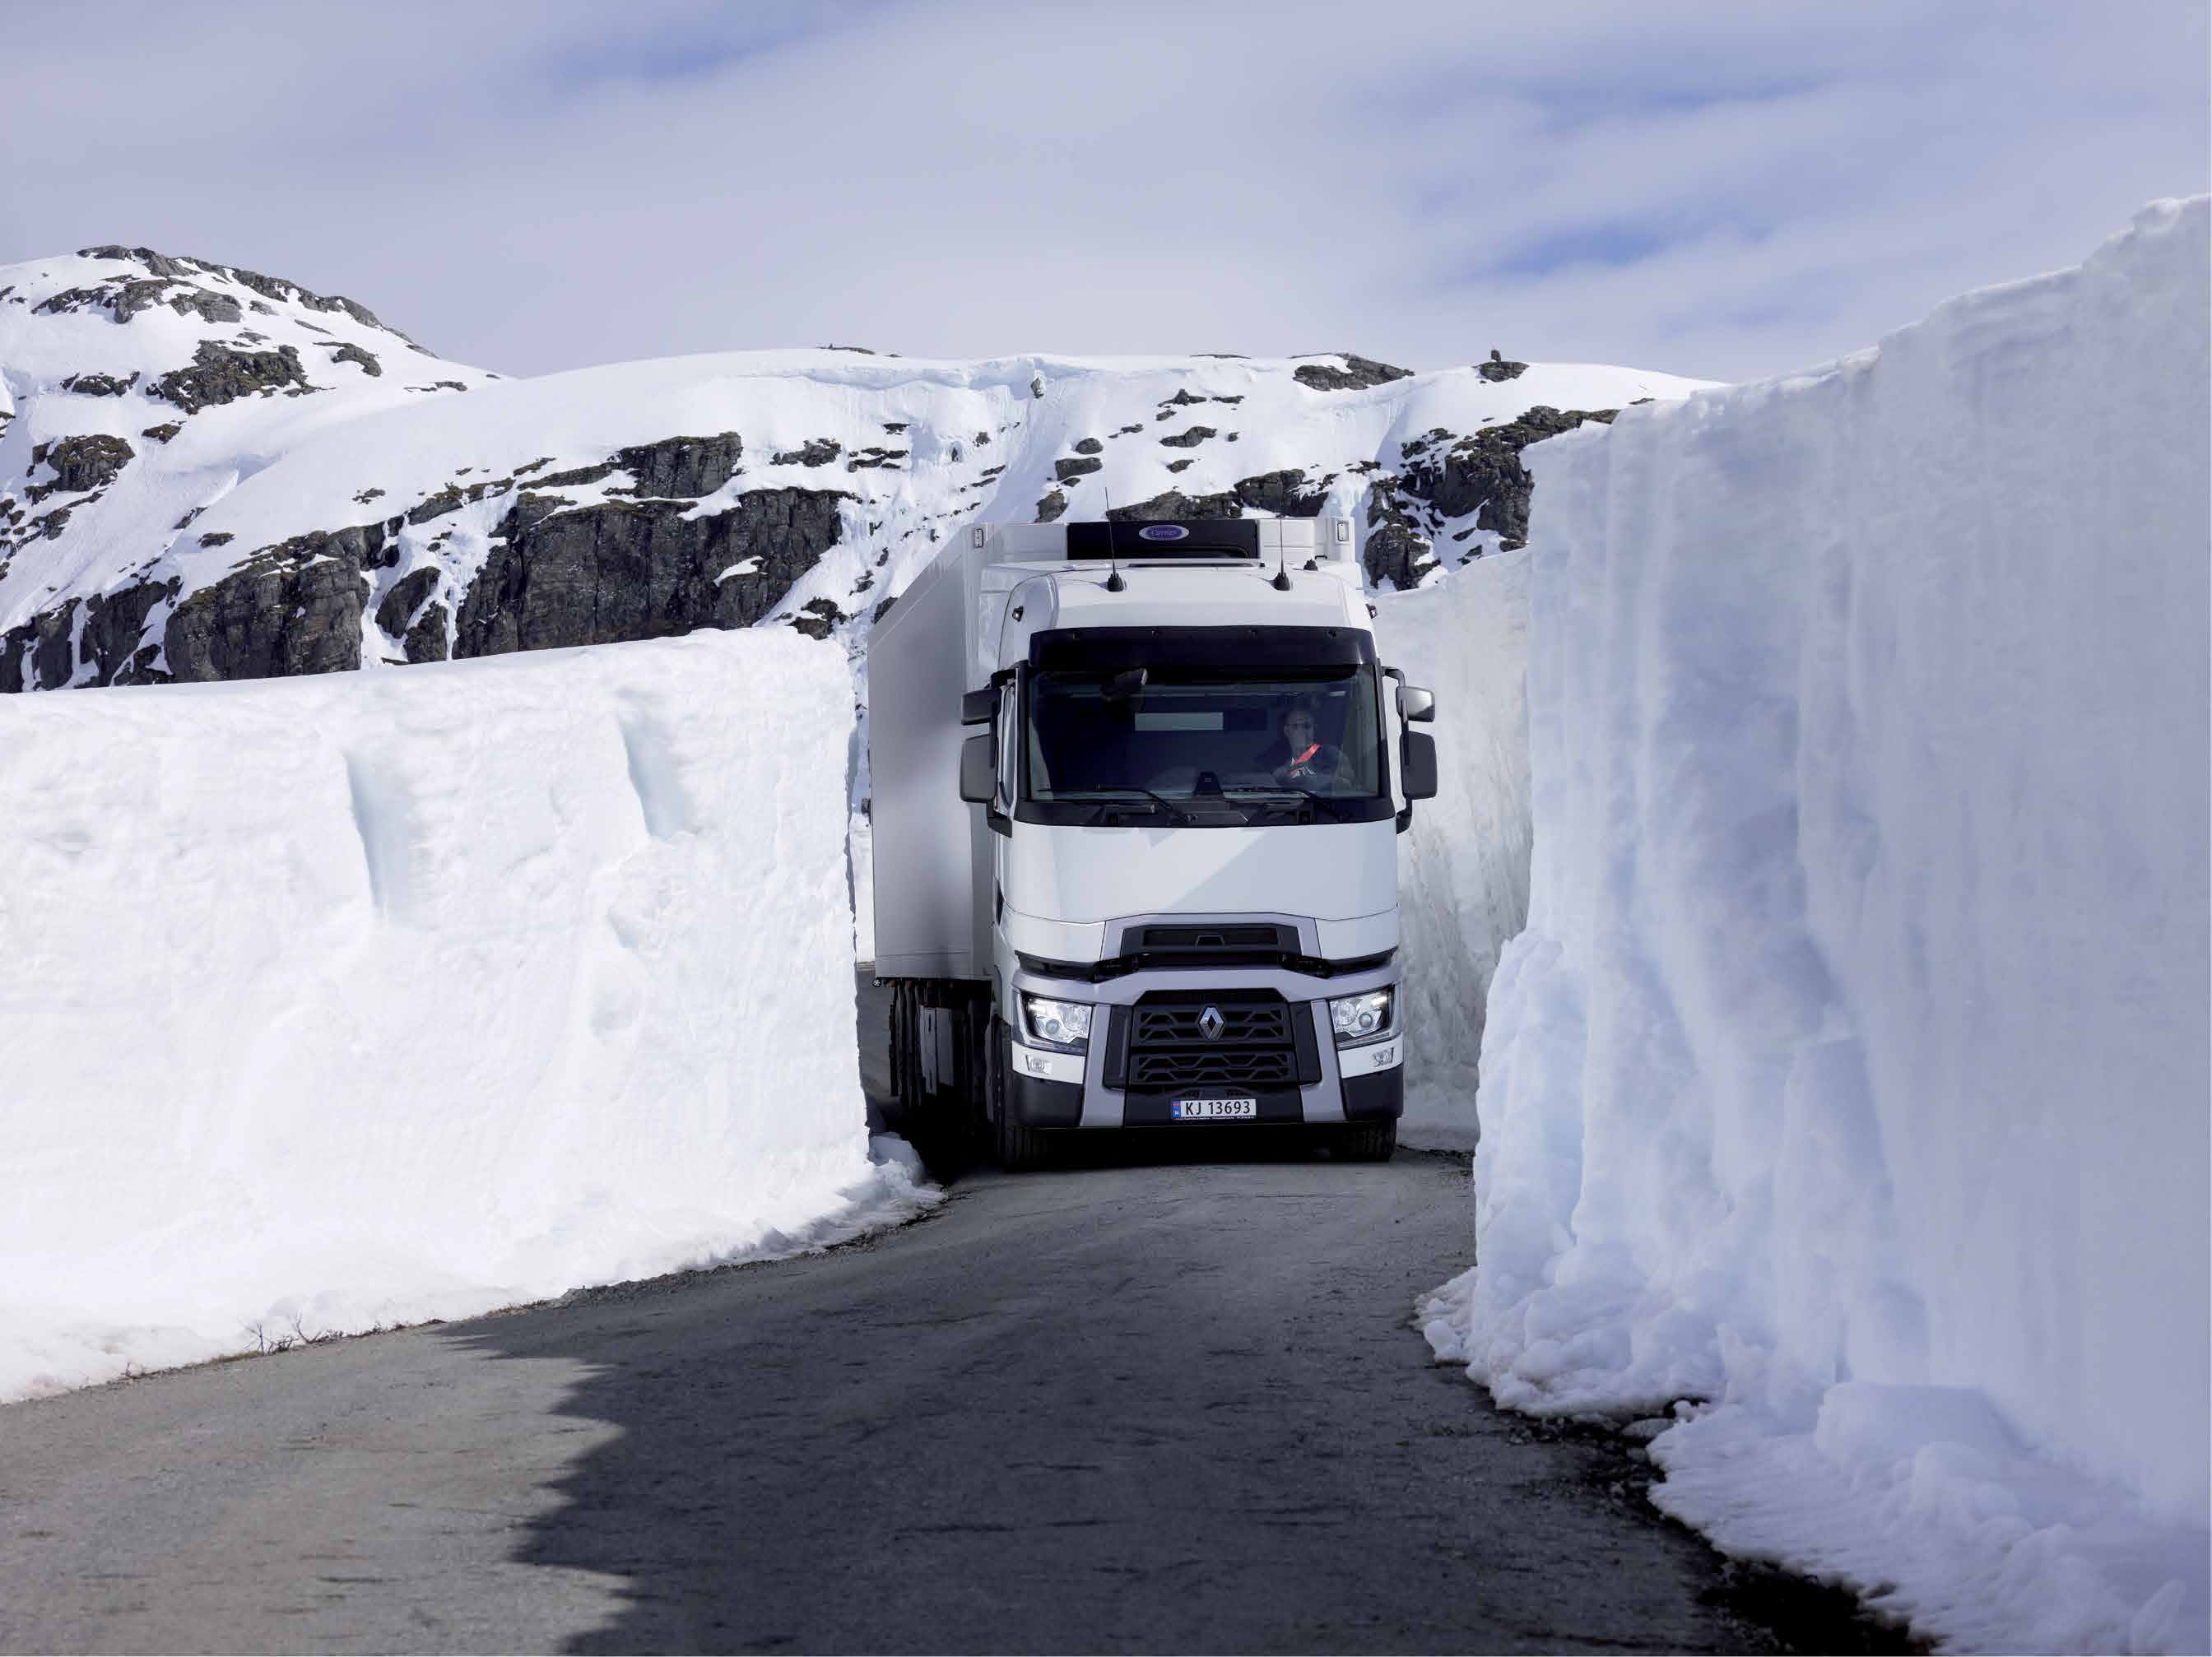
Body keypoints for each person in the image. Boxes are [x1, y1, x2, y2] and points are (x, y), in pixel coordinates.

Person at [1254, 699, 1345, 789]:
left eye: (1307, 726)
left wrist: (1319, 780)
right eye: (1295, 726)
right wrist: (1276, 778)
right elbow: (1256, 781)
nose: (1301, 731)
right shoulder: (1270, 757)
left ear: (1314, 728)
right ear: (1286, 730)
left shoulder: (1330, 753)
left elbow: (1348, 779)